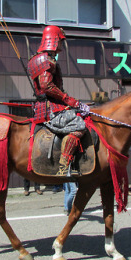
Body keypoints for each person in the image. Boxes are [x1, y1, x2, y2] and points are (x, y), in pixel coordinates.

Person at [28, 25, 90, 176]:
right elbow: (46, 86)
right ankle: (64, 167)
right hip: (51, 110)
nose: (61, 45)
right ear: (54, 40)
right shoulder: (46, 60)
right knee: (79, 125)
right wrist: (72, 101)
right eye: (60, 41)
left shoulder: (40, 58)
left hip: (49, 106)